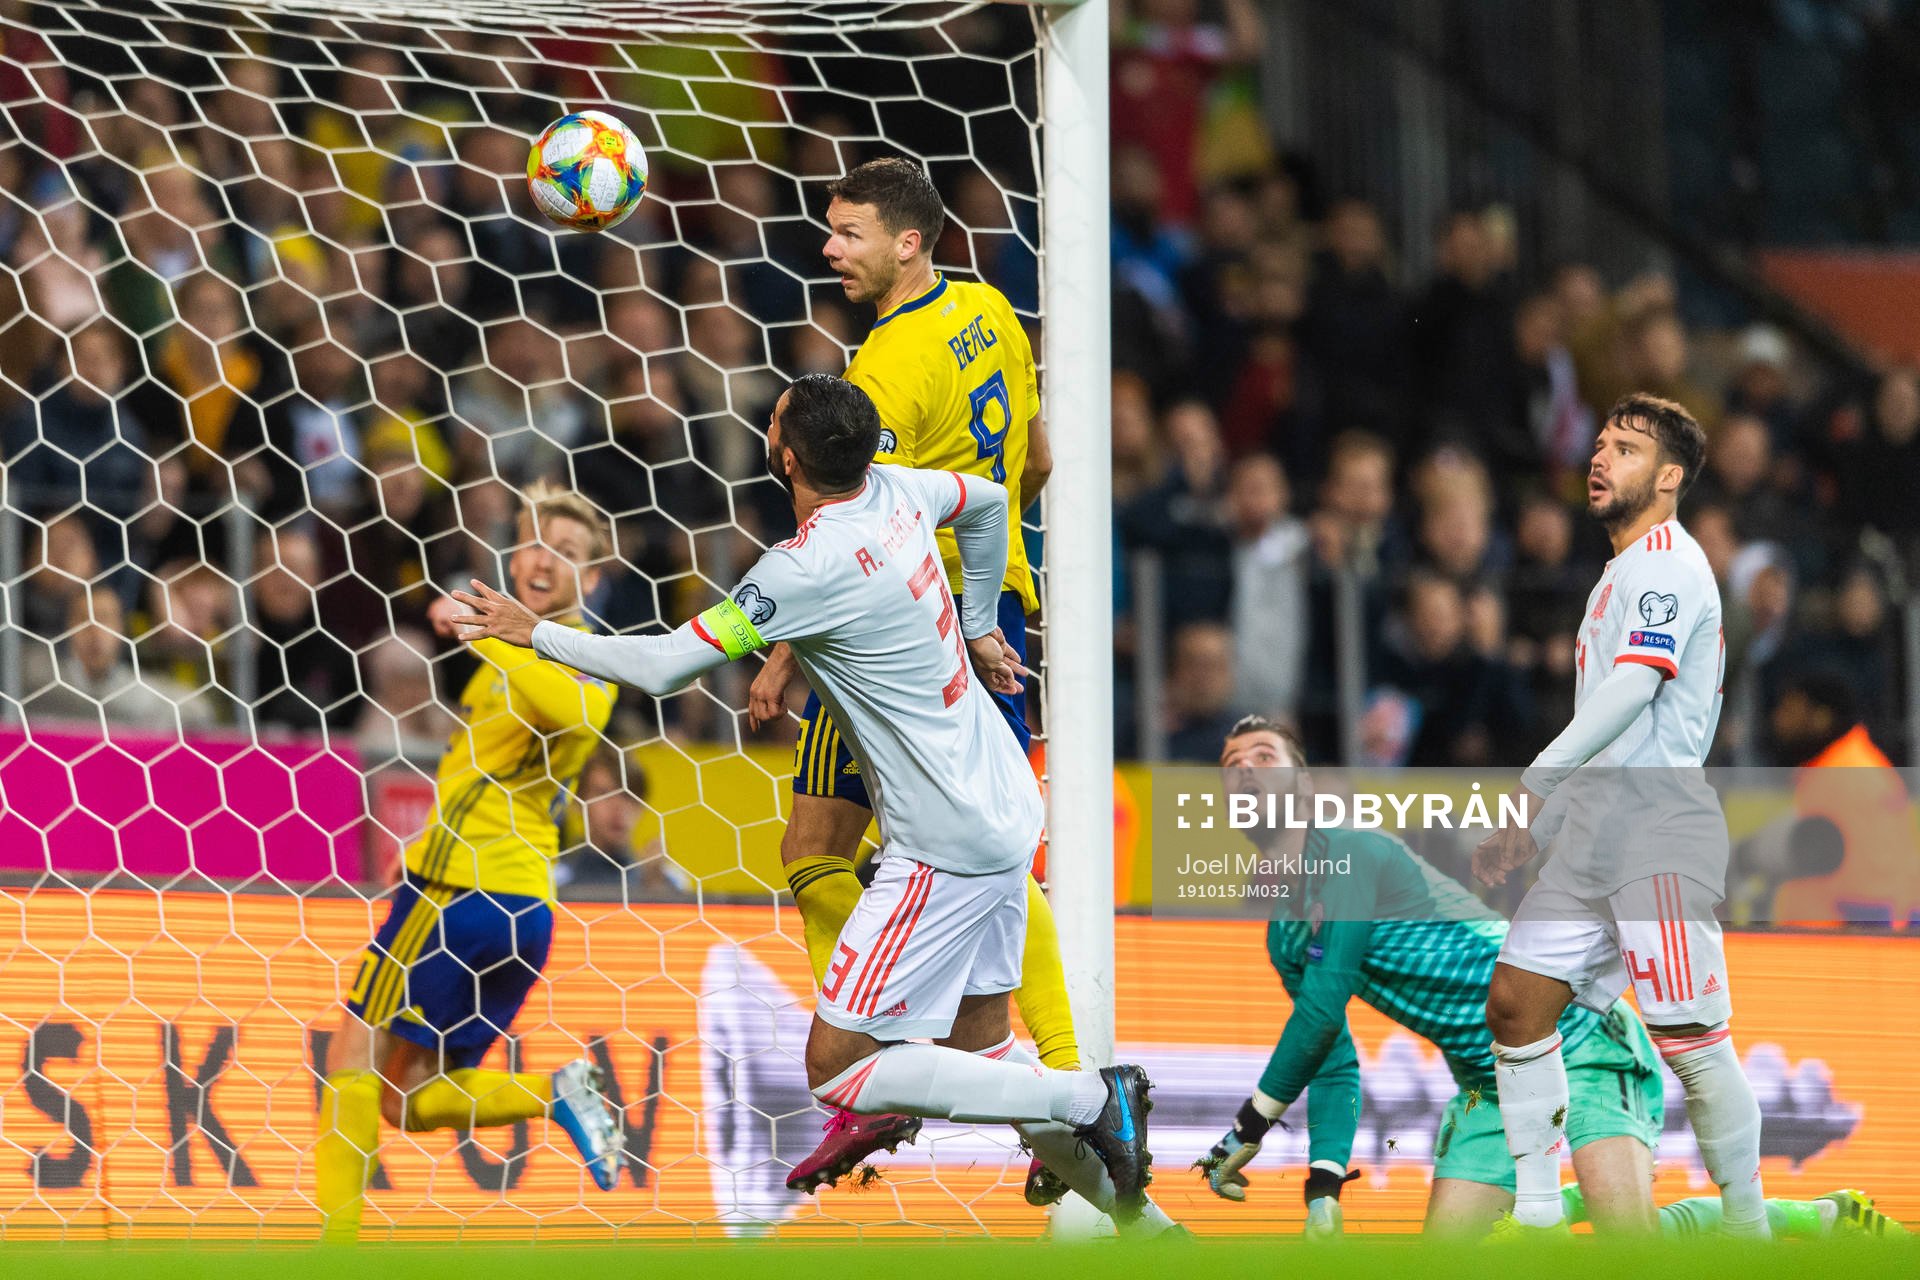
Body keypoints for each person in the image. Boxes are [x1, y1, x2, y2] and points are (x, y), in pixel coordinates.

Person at [449, 375, 1168, 1231]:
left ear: (784, 455)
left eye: (777, 415)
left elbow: (663, 667)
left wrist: (533, 633)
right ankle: (1151, 1232)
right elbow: (986, 502)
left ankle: (1094, 1095)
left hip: (943, 845)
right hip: (1006, 800)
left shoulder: (798, 568)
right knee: (987, 1053)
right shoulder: (901, 487)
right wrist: (979, 623)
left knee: (839, 1069)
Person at [740, 157, 1085, 1196]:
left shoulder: (886, 366)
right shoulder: (988, 308)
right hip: (996, 614)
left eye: (848, 232)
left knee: (815, 849)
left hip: (900, 639)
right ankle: (1039, 1092)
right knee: (993, 871)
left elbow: (847, 517)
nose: (828, 248)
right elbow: (1038, 460)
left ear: (908, 240)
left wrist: (789, 647)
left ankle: (904, 1061)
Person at [1472, 395, 1767, 1237]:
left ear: (1669, 478)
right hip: (1596, 834)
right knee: (1515, 1004)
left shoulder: (1671, 563)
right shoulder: (1618, 571)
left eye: (1628, 449)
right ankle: (1533, 1218)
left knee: (1695, 1046)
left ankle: (1749, 1231)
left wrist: (1532, 788)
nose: (1602, 459)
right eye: (1601, 445)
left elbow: (1637, 690)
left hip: (1655, 831)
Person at [1199, 717, 1664, 1237]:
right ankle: (1568, 1204)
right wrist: (1323, 1187)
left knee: (1629, 1240)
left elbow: (1322, 1007)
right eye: (1230, 766)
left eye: (1263, 757)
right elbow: (1330, 1056)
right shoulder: (1283, 933)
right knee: (1448, 1260)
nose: (1244, 772)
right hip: (1486, 1083)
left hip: (1577, 1038)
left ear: (1304, 786)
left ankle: (1687, 1214)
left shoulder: (1354, 854)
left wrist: (1249, 1124)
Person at [314, 481, 625, 1242]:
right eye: (534, 544)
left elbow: (582, 711)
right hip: (511, 904)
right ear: (516, 557)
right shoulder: (509, 658)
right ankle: (556, 1092)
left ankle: (333, 1251)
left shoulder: (586, 654)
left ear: (590, 579)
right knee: (407, 1098)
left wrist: (486, 631)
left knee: (350, 1053)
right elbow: (477, 770)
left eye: (570, 553)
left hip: (465, 897)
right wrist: (419, 850)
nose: (545, 561)